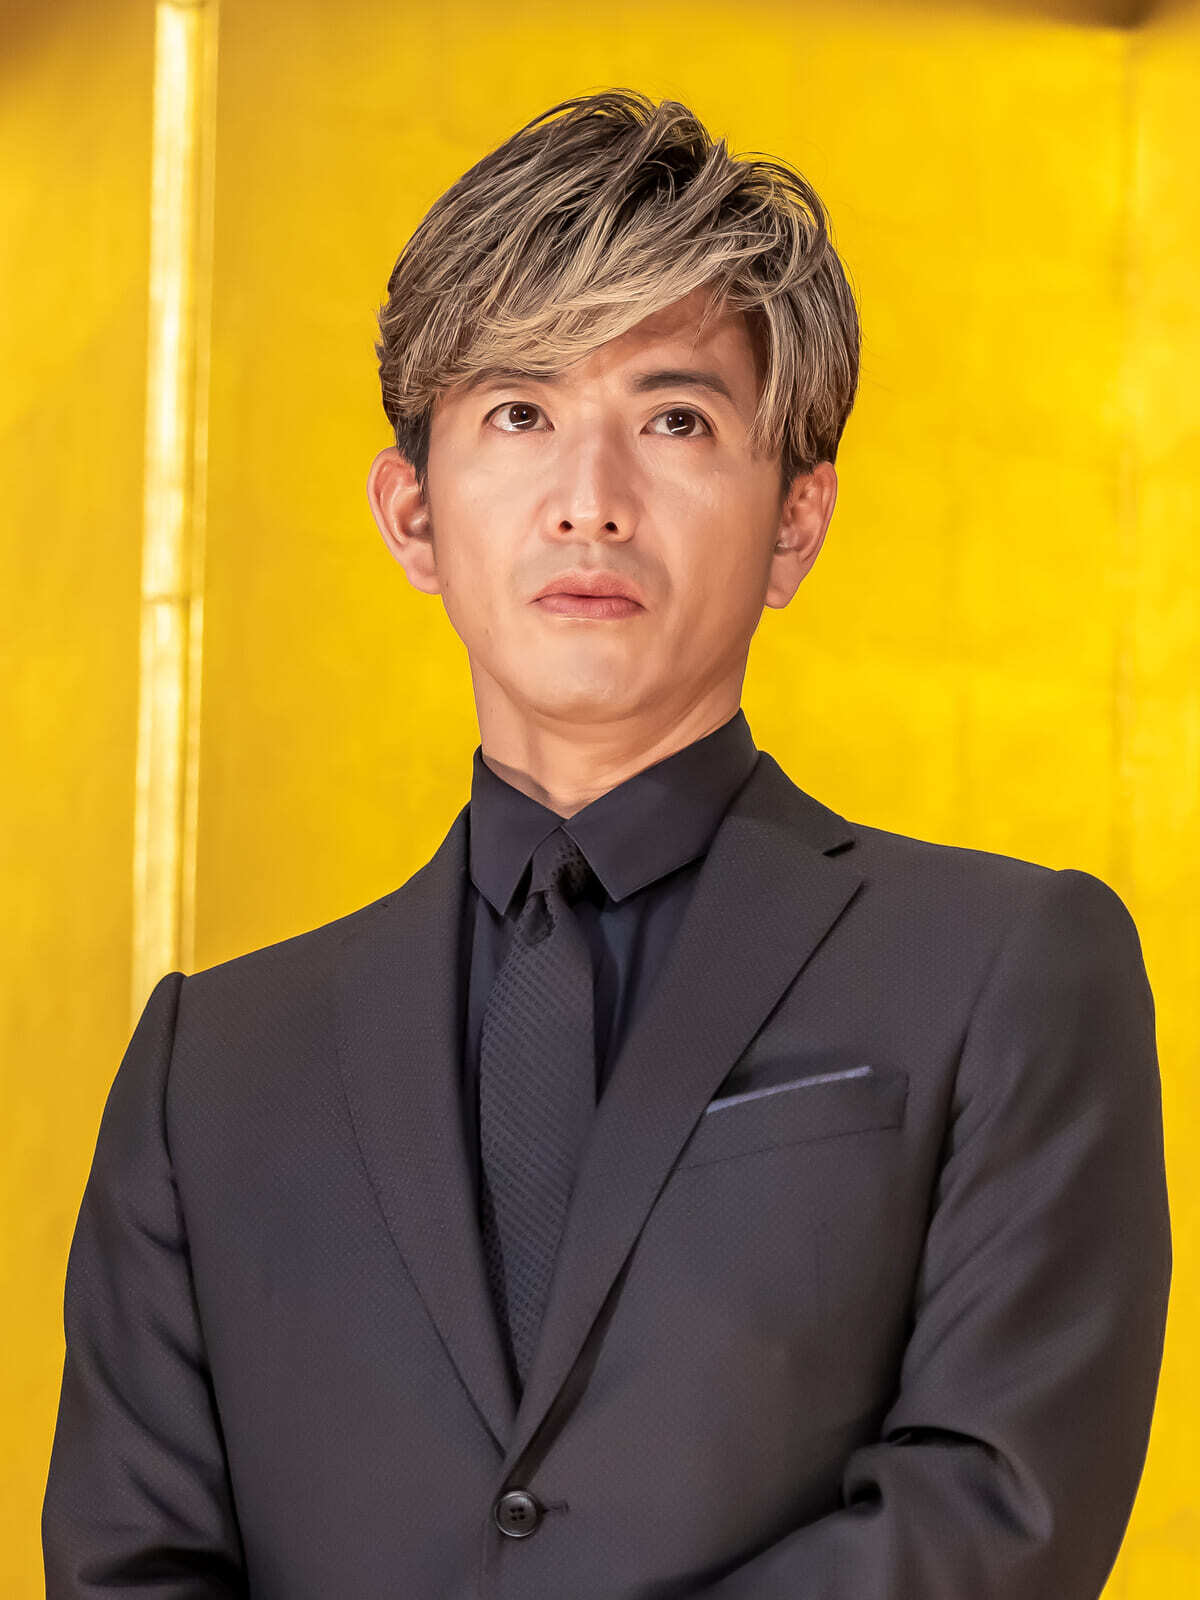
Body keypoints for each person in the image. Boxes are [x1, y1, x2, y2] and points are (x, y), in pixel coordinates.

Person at [43, 88, 1171, 1600]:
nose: (592, 504)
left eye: (675, 419)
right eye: (520, 413)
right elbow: (133, 1563)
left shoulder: (1006, 971)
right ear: (410, 512)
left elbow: (992, 1517)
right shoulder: (211, 1069)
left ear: (796, 521)